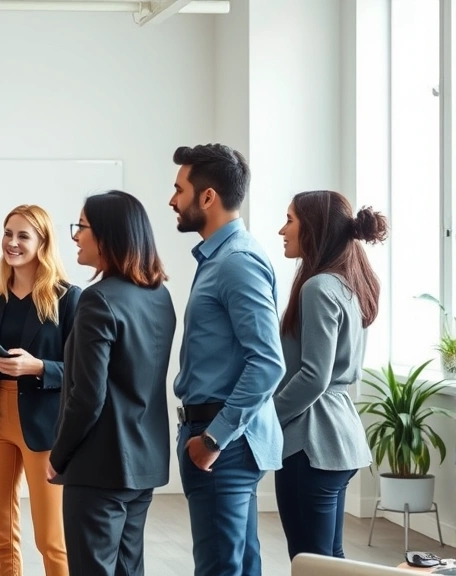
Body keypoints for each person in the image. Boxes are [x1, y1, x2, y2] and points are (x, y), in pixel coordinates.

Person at [168, 143, 286, 576]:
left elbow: (268, 362)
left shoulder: (236, 261)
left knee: (221, 568)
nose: (172, 199)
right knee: (236, 564)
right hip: (218, 437)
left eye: (179, 189)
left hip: (223, 443)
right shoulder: (218, 256)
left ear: (208, 197)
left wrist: (214, 439)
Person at [48, 191, 175, 576]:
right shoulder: (160, 295)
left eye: (81, 227)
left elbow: (87, 397)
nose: (75, 237)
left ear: (108, 235)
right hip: (144, 462)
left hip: (99, 467)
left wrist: (58, 456)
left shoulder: (97, 300)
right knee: (127, 569)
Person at [0, 204, 81, 576]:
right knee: (0, 534)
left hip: (45, 426)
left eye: (23, 236)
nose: (12, 243)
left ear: (43, 243)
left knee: (51, 538)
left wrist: (38, 366)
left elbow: (83, 371)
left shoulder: (67, 298)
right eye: (7, 233)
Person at [274, 191, 385, 559]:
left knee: (310, 563)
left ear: (313, 227)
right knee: (328, 561)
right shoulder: (348, 284)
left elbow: (313, 377)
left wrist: (265, 418)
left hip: (311, 445)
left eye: (289, 220)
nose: (282, 230)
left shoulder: (319, 287)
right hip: (339, 441)